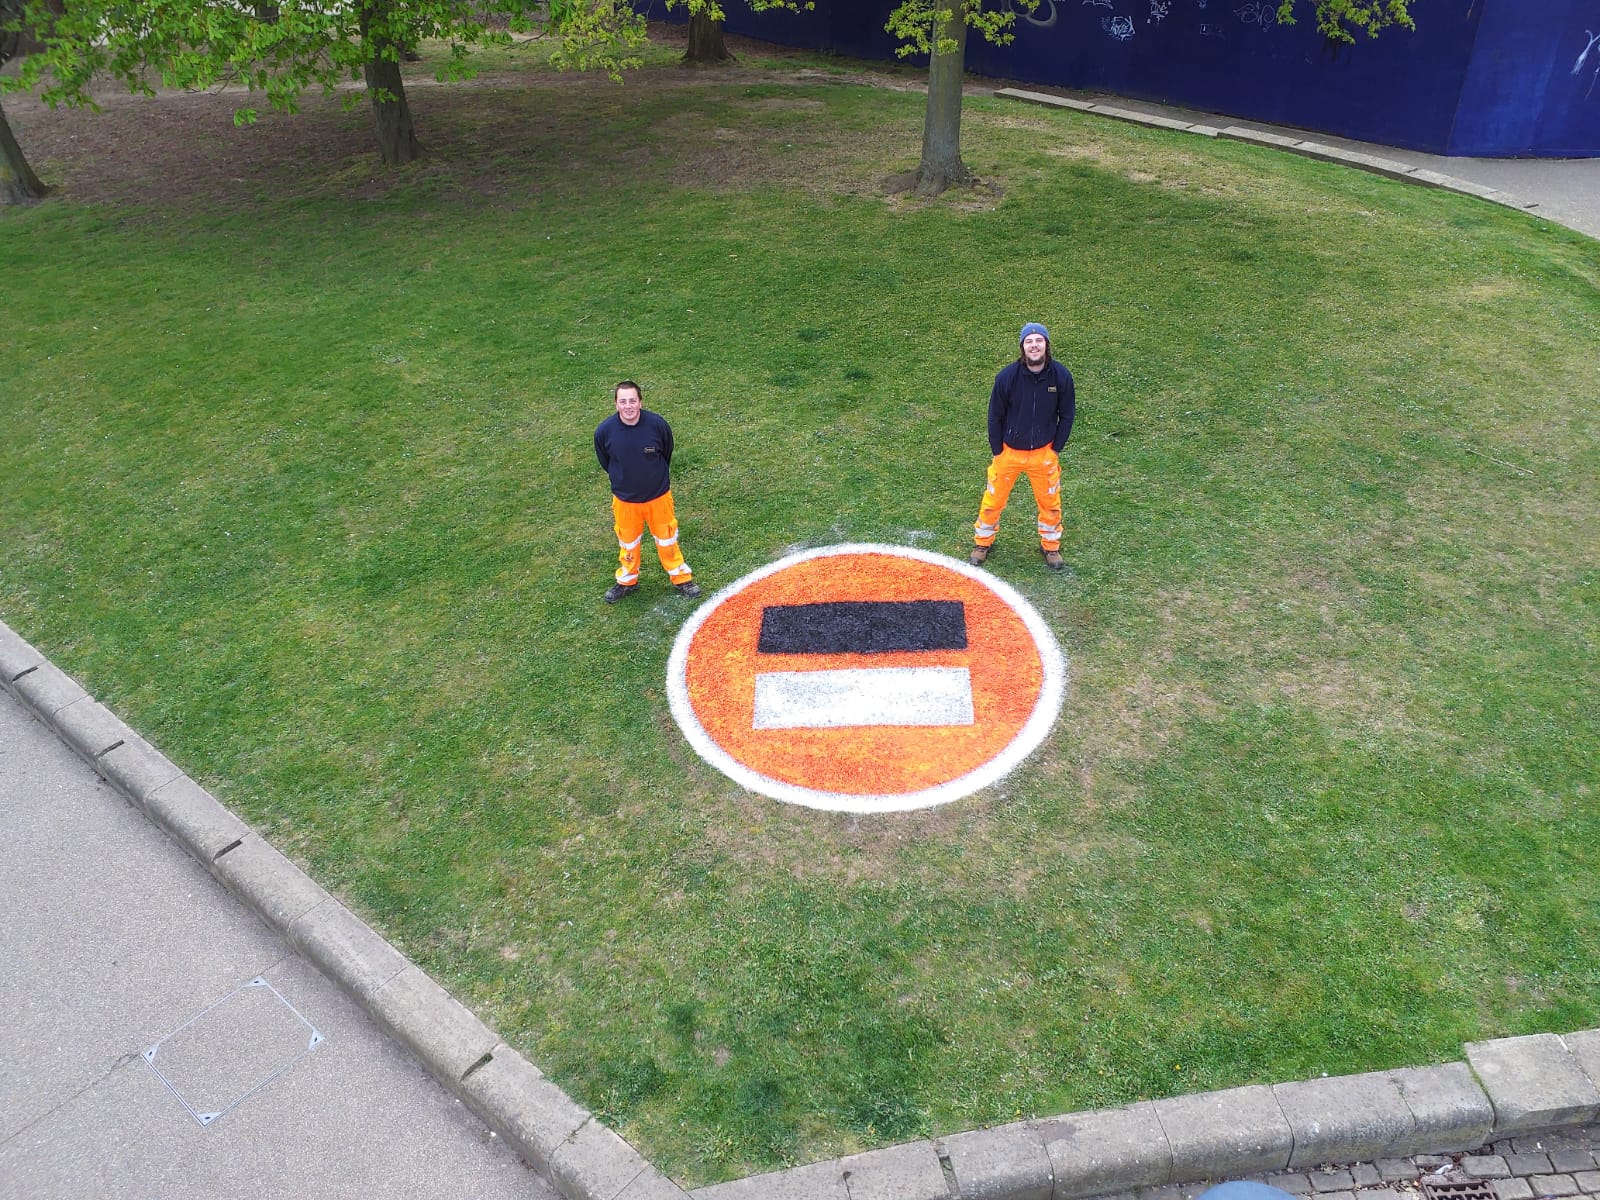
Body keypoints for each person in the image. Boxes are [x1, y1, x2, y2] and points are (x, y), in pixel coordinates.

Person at [970, 321, 1076, 572]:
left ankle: (1050, 546)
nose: (1034, 345)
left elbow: (1068, 415)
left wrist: (1055, 448)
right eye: (1029, 341)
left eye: (1039, 340)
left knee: (1050, 503)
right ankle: (982, 543)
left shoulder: (1061, 376)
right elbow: (994, 415)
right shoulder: (1007, 377)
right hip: (1009, 454)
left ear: (1046, 345)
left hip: (1044, 454)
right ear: (1022, 347)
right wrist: (998, 450)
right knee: (993, 500)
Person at [594, 380, 701, 603]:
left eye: (632, 400)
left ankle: (681, 578)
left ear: (640, 402)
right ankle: (627, 581)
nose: (628, 406)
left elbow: (667, 452)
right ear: (616, 404)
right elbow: (606, 461)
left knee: (667, 540)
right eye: (623, 401)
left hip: (658, 498)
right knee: (628, 543)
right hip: (625, 502)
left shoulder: (657, 425)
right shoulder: (604, 432)